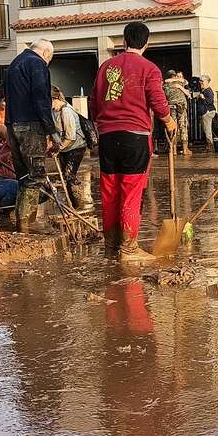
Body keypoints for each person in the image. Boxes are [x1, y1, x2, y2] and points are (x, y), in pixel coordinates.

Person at [90, 21, 175, 262]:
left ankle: (111, 245)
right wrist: (169, 121)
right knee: (131, 191)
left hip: (107, 136)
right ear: (146, 44)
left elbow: (94, 103)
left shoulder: (106, 66)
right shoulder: (149, 68)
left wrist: (103, 124)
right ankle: (129, 248)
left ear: (124, 41)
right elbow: (158, 101)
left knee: (109, 191)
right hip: (135, 137)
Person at [4, 39, 56, 232]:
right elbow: (41, 98)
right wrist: (51, 130)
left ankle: (22, 222)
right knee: (36, 176)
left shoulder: (13, 64)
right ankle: (27, 223)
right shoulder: (36, 64)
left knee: (24, 176)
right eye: (49, 59)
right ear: (46, 53)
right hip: (30, 125)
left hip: (12, 125)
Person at [51, 86, 89, 210]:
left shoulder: (66, 111)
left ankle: (78, 204)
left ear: (55, 99)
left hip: (76, 146)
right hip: (65, 147)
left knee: (69, 175)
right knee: (65, 176)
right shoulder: (53, 111)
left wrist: (58, 149)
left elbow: (70, 137)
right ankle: (72, 205)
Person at [163, 70, 191, 155]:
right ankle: (185, 150)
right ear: (175, 76)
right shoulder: (181, 82)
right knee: (183, 126)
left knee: (173, 127)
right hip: (181, 105)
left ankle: (173, 149)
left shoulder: (165, 85)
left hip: (171, 106)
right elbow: (186, 81)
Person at [194, 75, 217, 149]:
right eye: (200, 81)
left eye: (202, 81)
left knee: (207, 129)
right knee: (206, 129)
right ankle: (209, 144)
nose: (200, 83)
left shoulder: (209, 91)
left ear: (207, 82)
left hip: (208, 112)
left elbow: (210, 101)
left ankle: (210, 145)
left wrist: (203, 97)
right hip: (204, 112)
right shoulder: (203, 90)